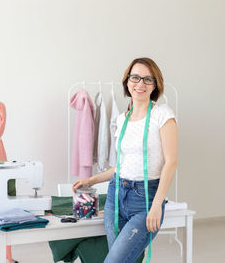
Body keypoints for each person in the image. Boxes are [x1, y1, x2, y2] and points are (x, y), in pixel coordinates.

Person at [72, 58, 178, 263]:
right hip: (115, 196)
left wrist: (157, 205)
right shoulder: (121, 119)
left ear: (155, 85)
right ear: (127, 81)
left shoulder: (162, 115)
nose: (140, 84)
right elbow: (121, 166)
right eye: (135, 77)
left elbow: (171, 162)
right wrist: (90, 181)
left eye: (148, 79)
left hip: (145, 200)